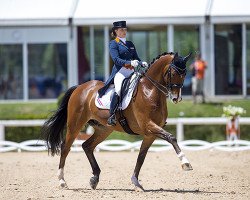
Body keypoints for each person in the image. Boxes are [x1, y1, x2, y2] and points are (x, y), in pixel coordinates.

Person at [98, 20, 148, 126]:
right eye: (121, 30)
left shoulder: (130, 44)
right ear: (116, 31)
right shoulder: (113, 43)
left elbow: (136, 58)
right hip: (120, 72)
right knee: (119, 89)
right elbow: (116, 60)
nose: (124, 31)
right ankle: (112, 115)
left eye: (125, 29)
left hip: (132, 72)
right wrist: (129, 62)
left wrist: (141, 62)